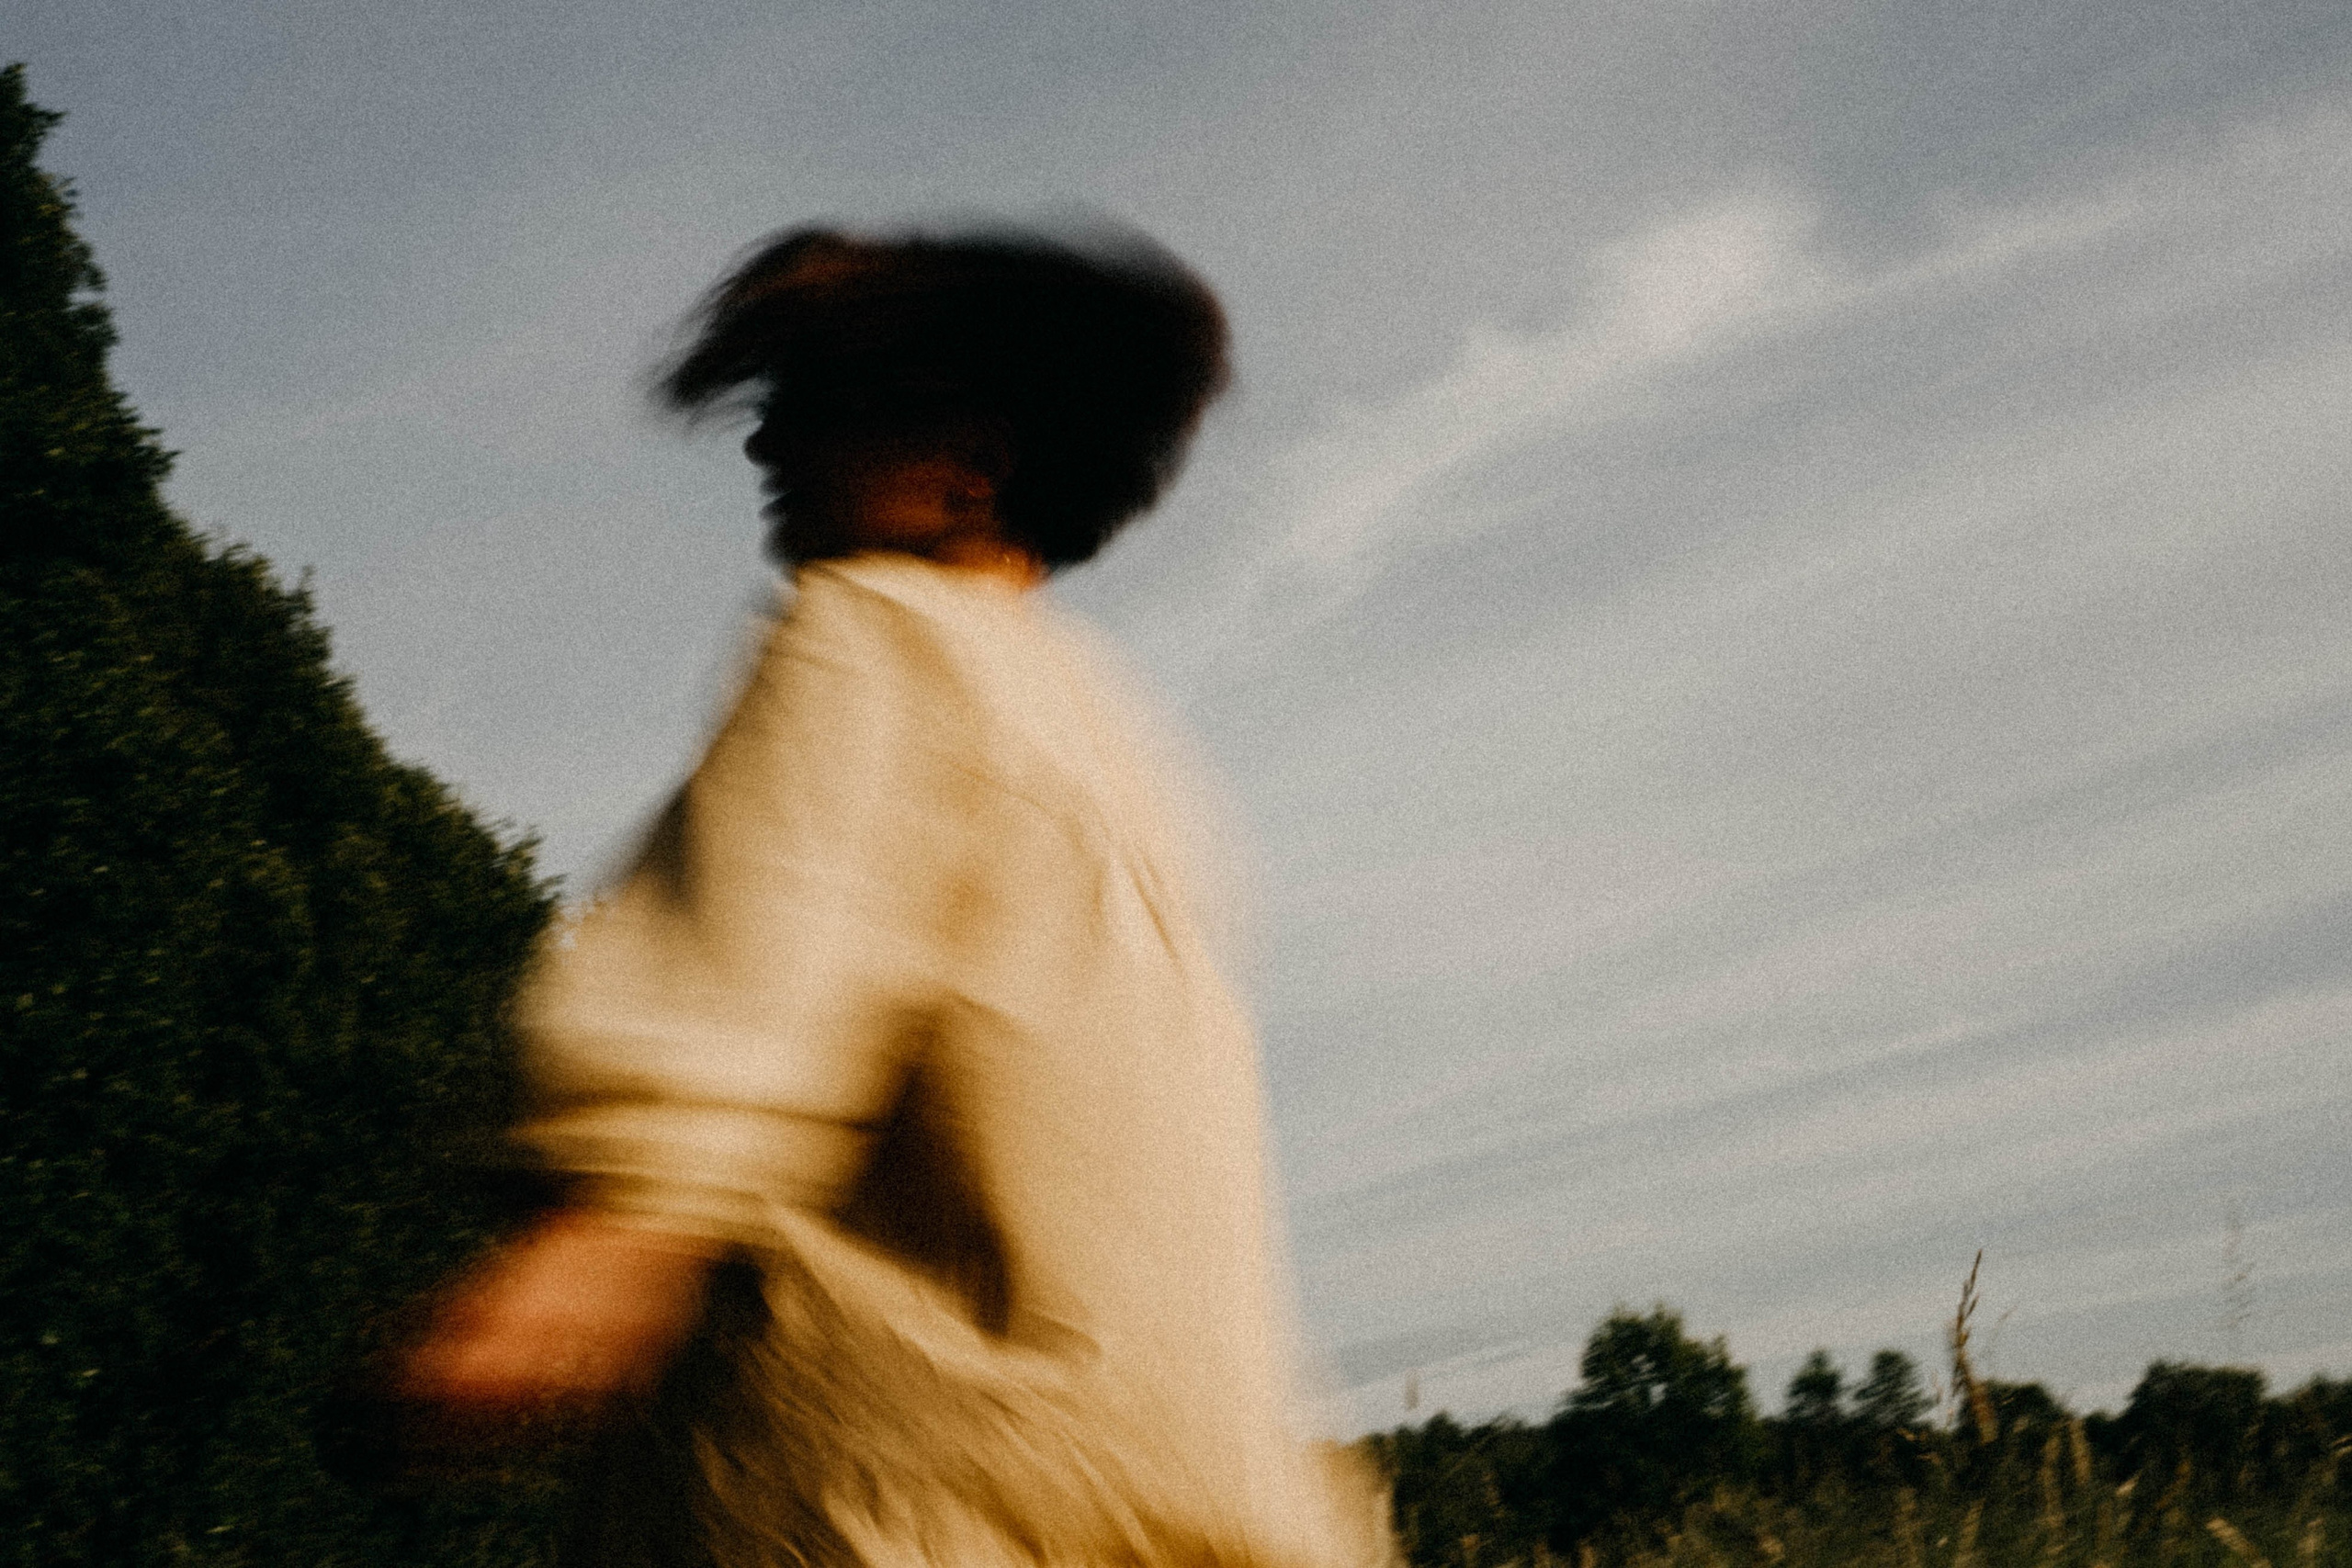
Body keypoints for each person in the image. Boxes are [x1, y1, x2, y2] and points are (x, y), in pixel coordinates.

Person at [400, 223, 1396, 1568]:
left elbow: (766, 948)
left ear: (970, 467)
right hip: (1164, 1489)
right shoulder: (1119, 740)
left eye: (811, 409)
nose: (766, 451)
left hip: (898, 1488)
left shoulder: (867, 637)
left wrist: (607, 1224)